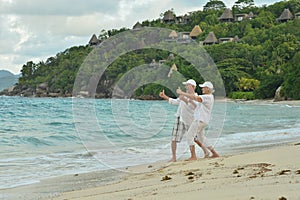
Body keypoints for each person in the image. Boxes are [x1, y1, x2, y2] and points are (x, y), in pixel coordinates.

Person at [159, 79, 206, 162]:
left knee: (195, 139)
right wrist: (165, 97)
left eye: (187, 85)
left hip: (190, 120)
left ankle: (203, 152)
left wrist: (185, 100)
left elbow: (196, 107)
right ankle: (174, 158)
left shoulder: (196, 96)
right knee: (174, 138)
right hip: (180, 118)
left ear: (193, 87)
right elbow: (175, 102)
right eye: (185, 85)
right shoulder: (183, 95)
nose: (186, 86)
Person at [176, 81, 219, 160]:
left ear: (208, 89)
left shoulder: (207, 97)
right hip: (203, 120)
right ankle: (214, 153)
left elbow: (196, 98)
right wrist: (186, 98)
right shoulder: (210, 97)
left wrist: (182, 93)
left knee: (189, 136)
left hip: (200, 120)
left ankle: (193, 156)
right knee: (201, 138)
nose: (202, 89)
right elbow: (194, 102)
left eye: (203, 87)